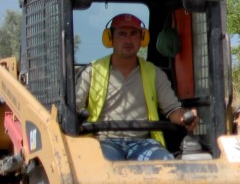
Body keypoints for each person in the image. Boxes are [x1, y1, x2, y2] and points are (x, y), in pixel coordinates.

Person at [74, 13, 198, 161]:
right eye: (122, 34)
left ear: (142, 39)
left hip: (143, 143)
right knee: (102, 166)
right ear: (110, 39)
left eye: (134, 34)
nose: (128, 40)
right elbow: (74, 108)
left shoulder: (154, 73)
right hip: (104, 141)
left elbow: (173, 110)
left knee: (165, 164)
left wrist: (185, 117)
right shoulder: (92, 72)